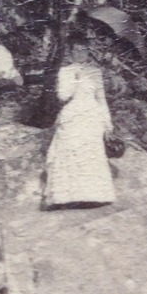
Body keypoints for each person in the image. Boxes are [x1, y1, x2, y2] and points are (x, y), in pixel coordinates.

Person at [42, 34, 116, 209]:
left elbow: (101, 98)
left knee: (90, 153)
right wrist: (75, 79)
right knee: (71, 151)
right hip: (72, 114)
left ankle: (92, 195)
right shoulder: (65, 71)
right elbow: (62, 96)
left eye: (84, 50)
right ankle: (66, 196)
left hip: (91, 115)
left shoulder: (95, 72)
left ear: (89, 52)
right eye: (77, 50)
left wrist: (108, 122)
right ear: (71, 52)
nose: (81, 53)